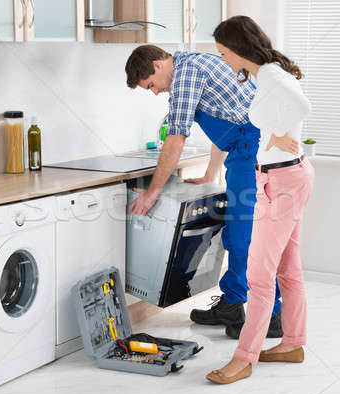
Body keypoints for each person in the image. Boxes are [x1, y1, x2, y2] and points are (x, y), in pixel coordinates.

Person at [125, 45, 298, 338]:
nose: (155, 92)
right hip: (244, 150)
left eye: (151, 85)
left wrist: (153, 191)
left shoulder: (184, 75)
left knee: (248, 238)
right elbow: (228, 123)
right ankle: (232, 303)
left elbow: (175, 138)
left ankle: (273, 314)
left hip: (251, 153)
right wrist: (209, 173)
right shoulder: (195, 61)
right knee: (237, 233)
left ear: (157, 64)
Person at [205, 16, 315, 384]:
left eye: (223, 53)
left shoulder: (270, 76)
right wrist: (273, 137)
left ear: (237, 48)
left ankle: (244, 358)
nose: (223, 60)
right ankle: (293, 343)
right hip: (288, 175)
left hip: (281, 181)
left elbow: (302, 105)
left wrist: (274, 137)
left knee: (259, 275)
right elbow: (278, 116)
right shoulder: (265, 74)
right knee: (288, 270)